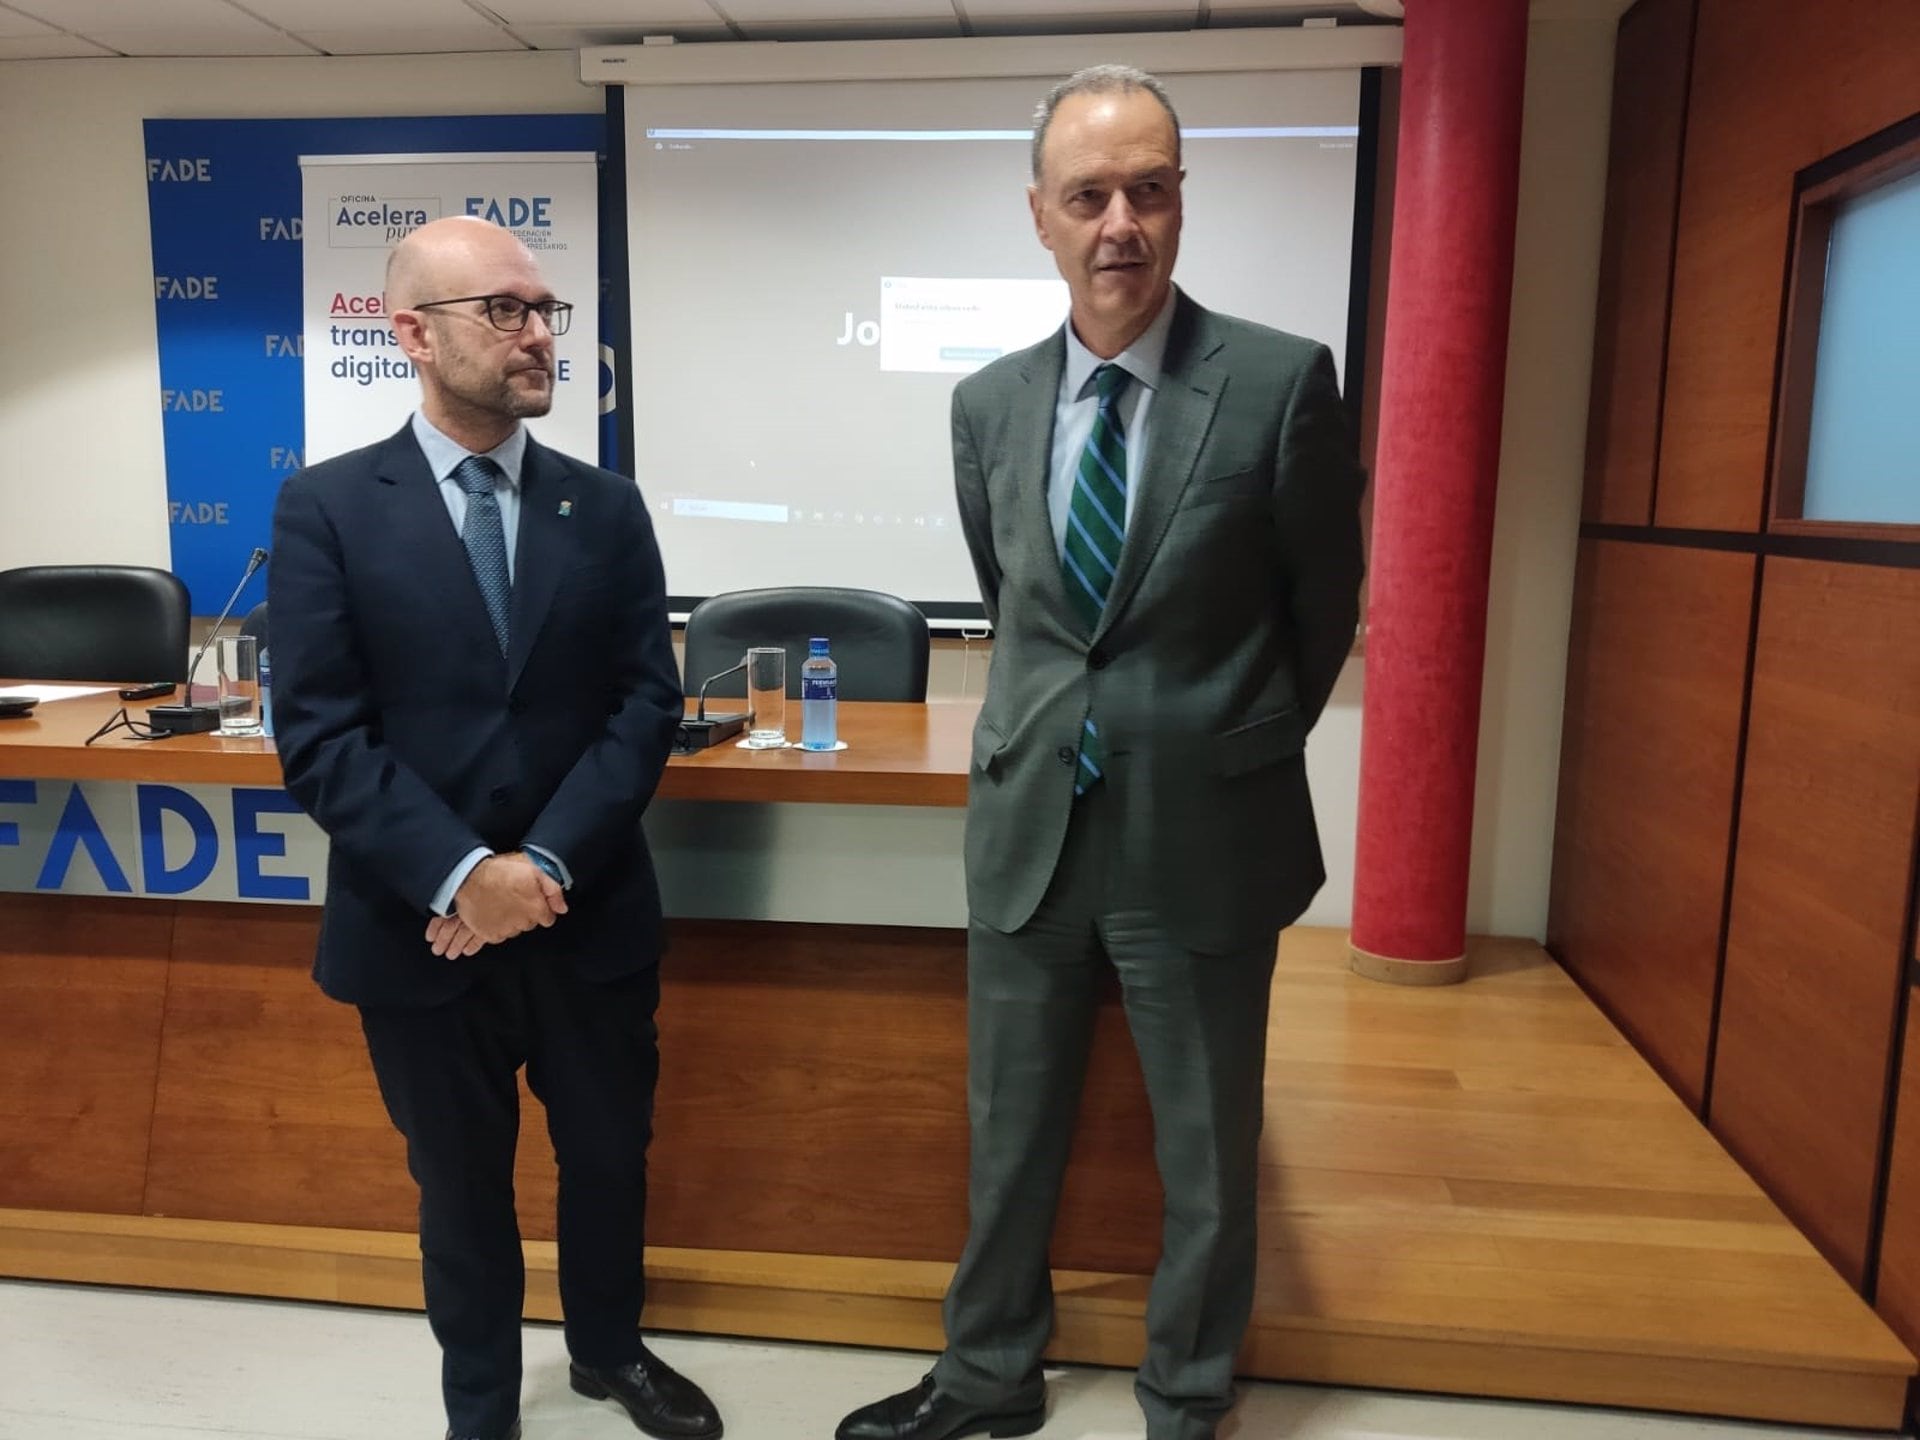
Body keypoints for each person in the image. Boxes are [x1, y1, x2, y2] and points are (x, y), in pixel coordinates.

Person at [836, 65, 1365, 1440]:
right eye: (1090, 195)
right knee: (1007, 1135)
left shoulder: (1279, 380)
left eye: (1149, 189)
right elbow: (1028, 608)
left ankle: (1187, 1396)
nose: (1120, 220)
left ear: (1181, 200)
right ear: (1041, 216)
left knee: (1205, 1148)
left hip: (1206, 827)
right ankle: (990, 1375)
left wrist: (1217, 738)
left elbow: (1324, 608)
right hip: (1032, 828)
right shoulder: (990, 406)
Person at [269, 215, 720, 1440]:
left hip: (588, 917)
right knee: (459, 1186)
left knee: (608, 1161)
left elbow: (644, 705)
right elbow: (319, 735)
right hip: (419, 933)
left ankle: (608, 1352)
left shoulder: (606, 506)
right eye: (504, 312)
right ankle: (479, 1399)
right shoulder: (325, 511)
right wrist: (463, 874)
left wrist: (543, 865)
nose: (536, 336)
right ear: (412, 333)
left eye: (544, 312)